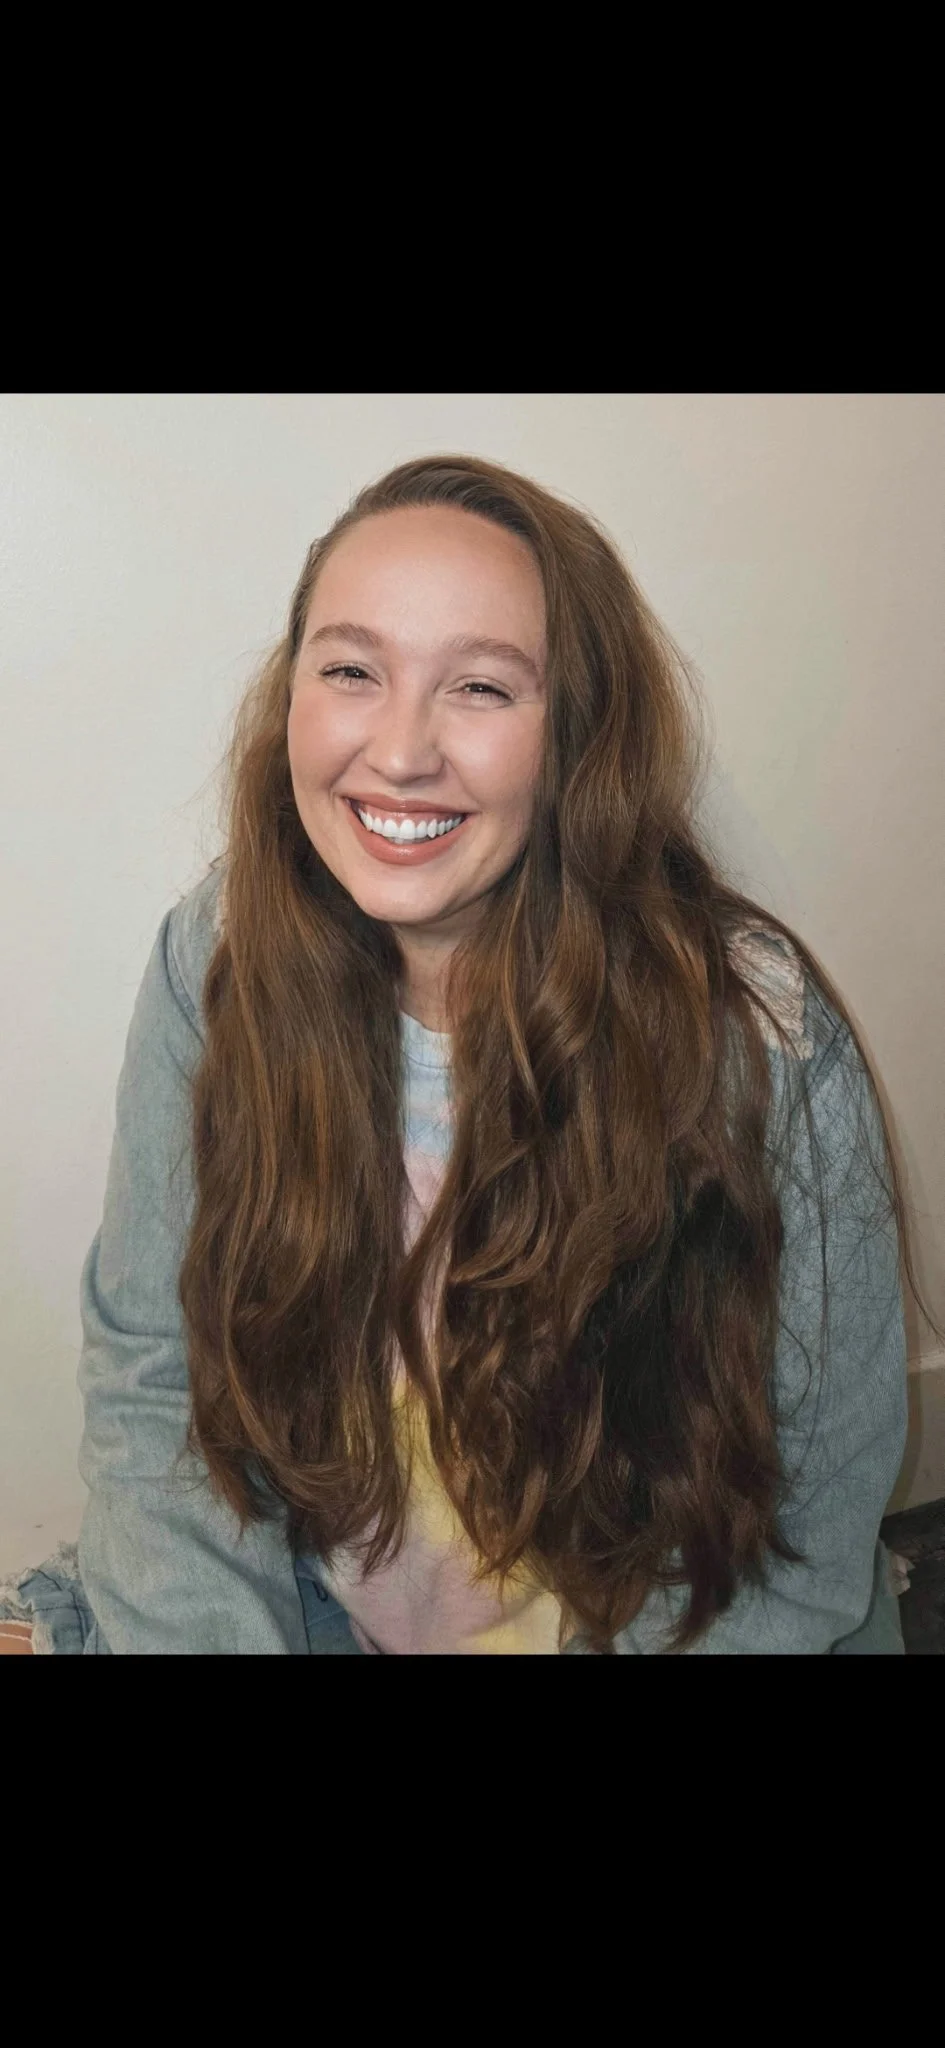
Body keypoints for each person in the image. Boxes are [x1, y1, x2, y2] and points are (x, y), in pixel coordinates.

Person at [1, 452, 936, 1656]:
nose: (400, 750)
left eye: (482, 688)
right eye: (351, 669)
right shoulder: (220, 956)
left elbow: (795, 1533)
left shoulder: (761, 1046)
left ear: (577, 733)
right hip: (316, 1601)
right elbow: (156, 1385)